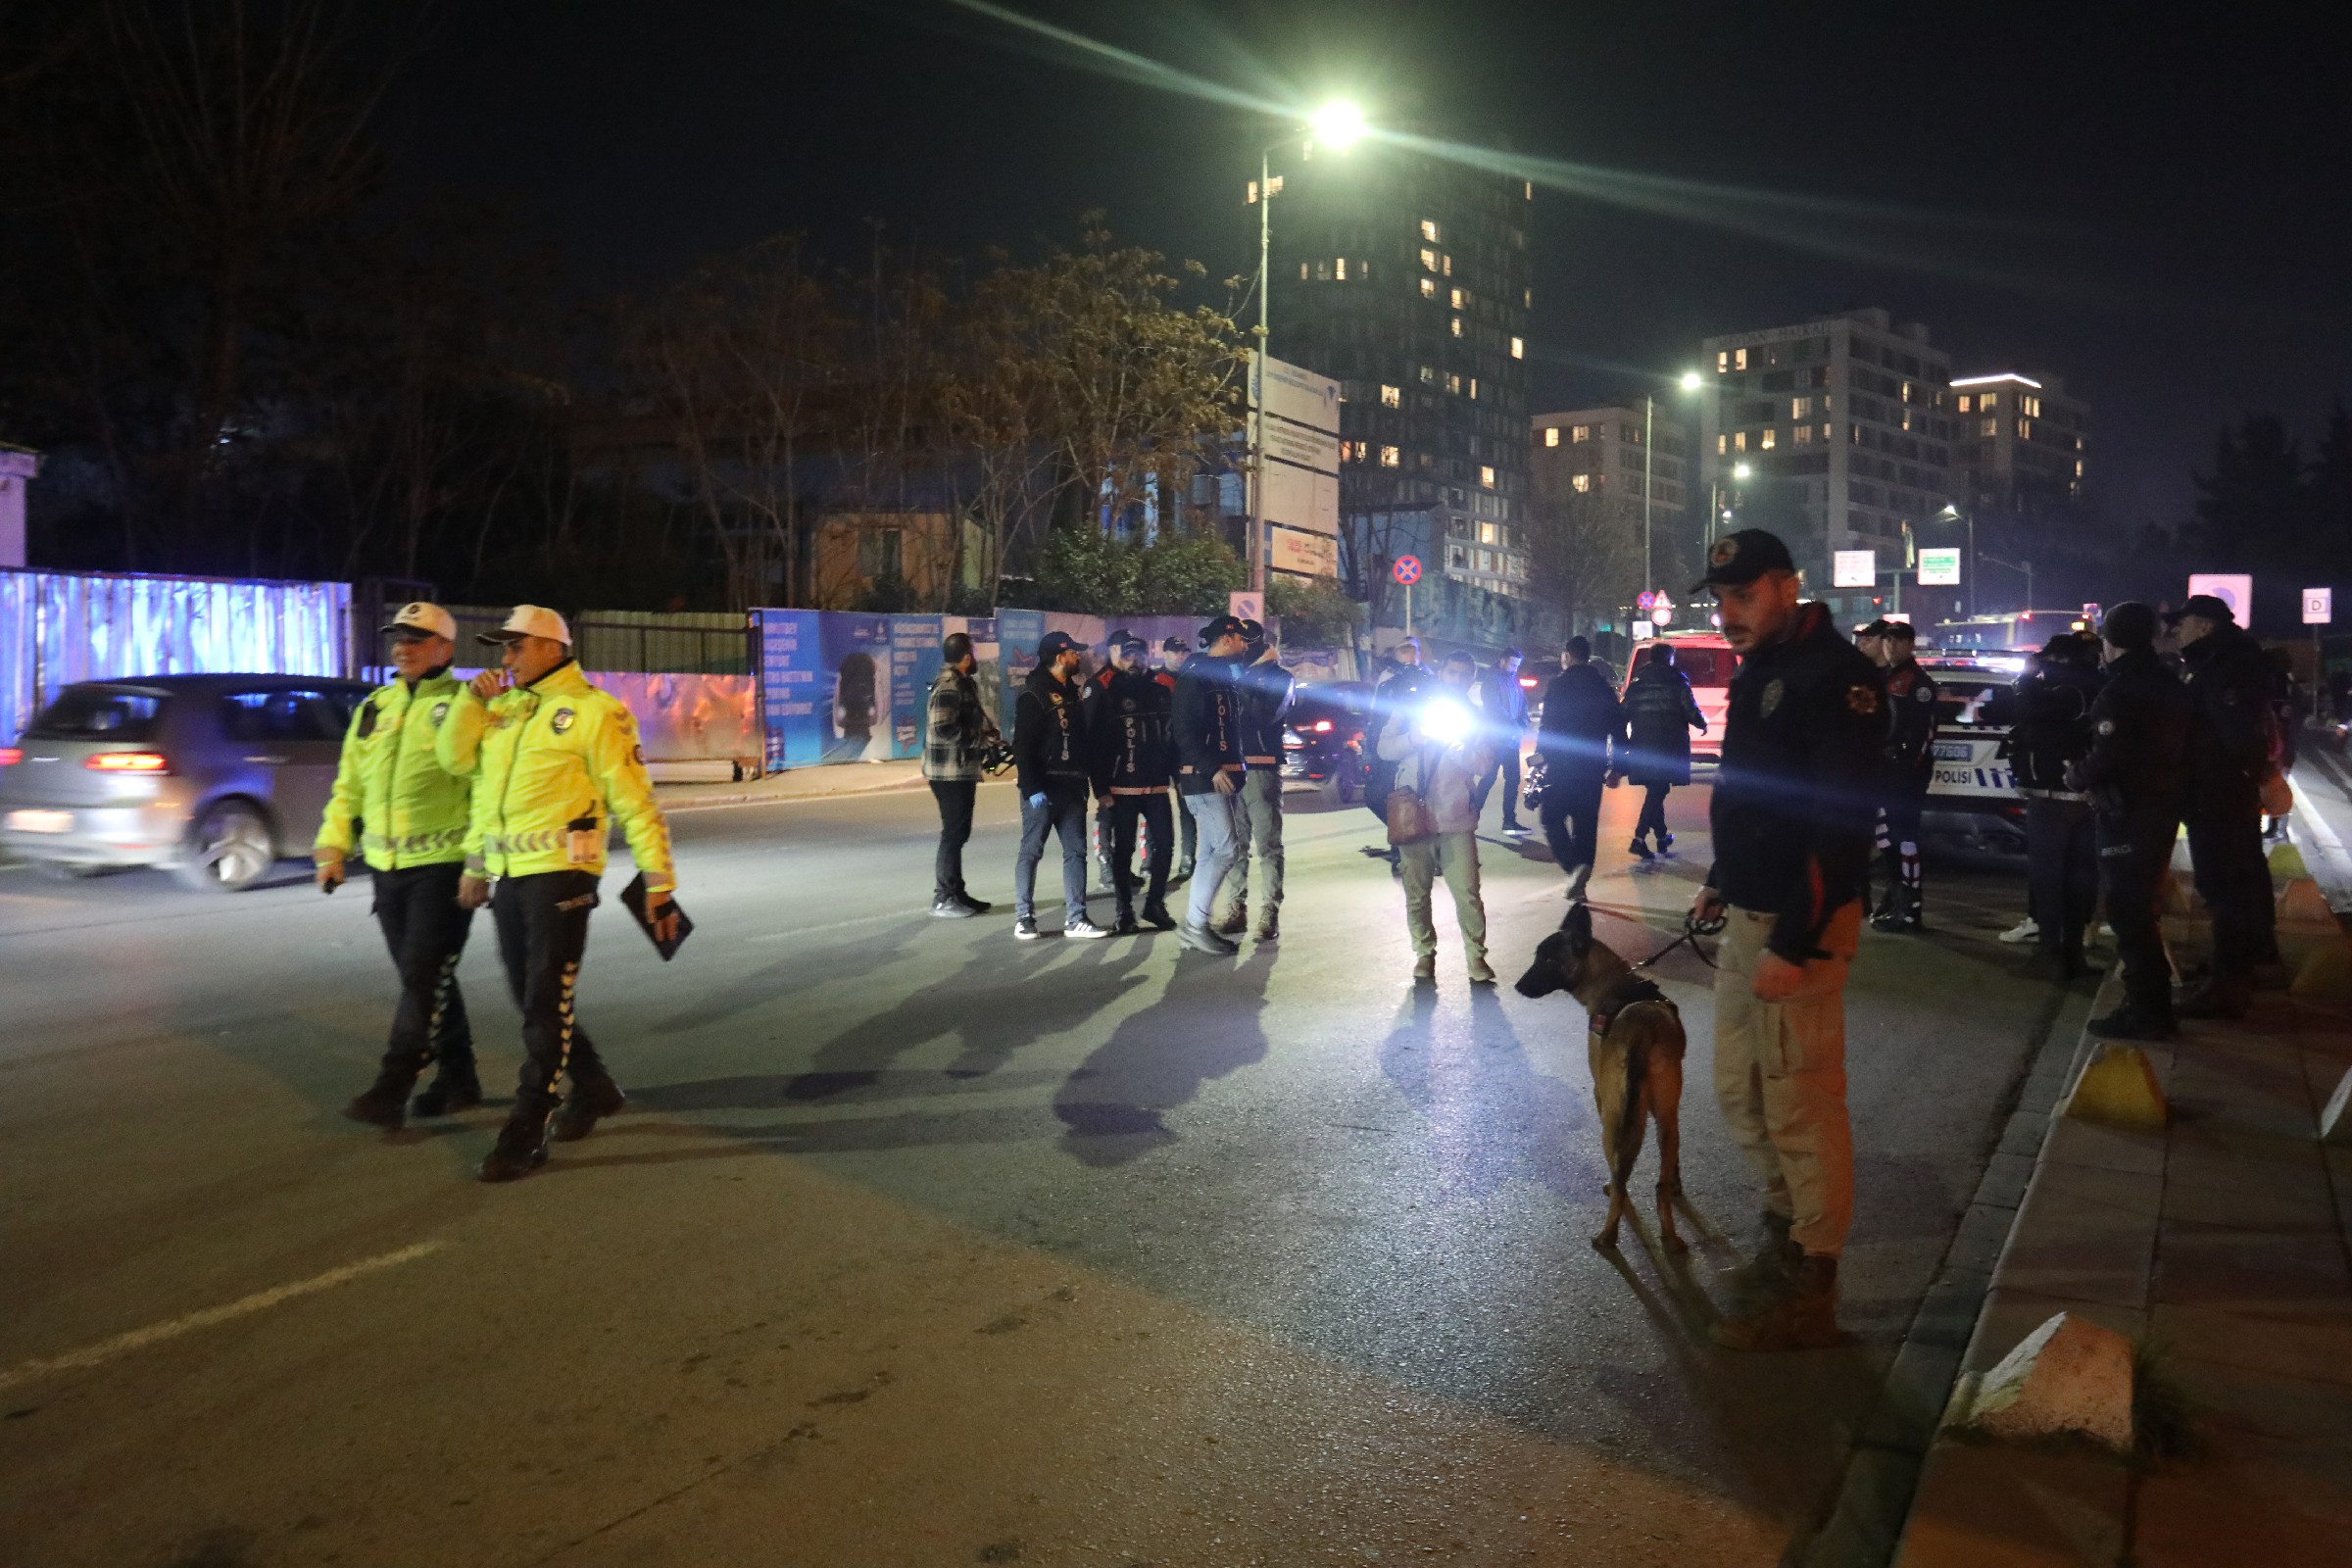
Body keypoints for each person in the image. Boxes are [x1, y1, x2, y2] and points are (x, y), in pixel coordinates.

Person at [1686, 530, 1883, 1351]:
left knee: (1800, 1101)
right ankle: (1780, 1236)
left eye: (1742, 596)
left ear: (1787, 586)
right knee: (1742, 1090)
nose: (1727, 614)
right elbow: (1755, 797)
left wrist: (1794, 943)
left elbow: (1837, 825)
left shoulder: (1838, 678)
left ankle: (1813, 1279)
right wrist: (1723, 880)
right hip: (1750, 914)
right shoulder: (1766, 666)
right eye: (1719, 600)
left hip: (1797, 927)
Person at [438, 606, 679, 1183]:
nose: (506, 657)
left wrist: (659, 881)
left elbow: (636, 802)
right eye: (504, 648)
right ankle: (594, 1088)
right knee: (529, 995)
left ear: (551, 647)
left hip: (564, 877)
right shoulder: (505, 714)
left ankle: (525, 1131)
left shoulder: (597, 714)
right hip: (511, 875)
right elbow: (462, 771)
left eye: (516, 646)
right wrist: (476, 864)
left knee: (546, 1003)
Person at [320, 602, 481, 1129]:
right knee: (429, 977)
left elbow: (485, 786)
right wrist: (333, 846)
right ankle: (459, 1076)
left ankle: (394, 1083)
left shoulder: (465, 704)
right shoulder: (375, 705)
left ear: (445, 649)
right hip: (387, 867)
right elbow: (351, 781)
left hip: (444, 866)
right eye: (398, 638)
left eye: (416, 638)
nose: (402, 647)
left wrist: (478, 862)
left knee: (422, 975)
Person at [2066, 603, 2192, 1039]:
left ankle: (2148, 1009)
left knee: (2128, 909)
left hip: (2128, 811)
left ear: (2110, 640)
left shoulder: (2121, 690)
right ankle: (2148, 1002)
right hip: (2160, 807)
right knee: (2141, 905)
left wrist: (2074, 773)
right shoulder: (2167, 681)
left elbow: (2110, 753)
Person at [2168, 594, 2278, 1015]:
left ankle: (2229, 987)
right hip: (2216, 792)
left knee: (2225, 888)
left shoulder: (2223, 668)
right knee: (2234, 883)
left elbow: (2237, 733)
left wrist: (2257, 777)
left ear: (2206, 627)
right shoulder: (2216, 662)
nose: (2177, 631)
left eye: (2184, 622)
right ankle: (2236, 967)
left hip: (2219, 795)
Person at [1377, 649, 1494, 984]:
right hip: (1413, 815)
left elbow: (1483, 765)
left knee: (1468, 893)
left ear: (1471, 679)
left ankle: (1476, 958)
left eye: (1465, 674)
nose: (1458, 679)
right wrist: (1417, 736)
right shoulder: (1411, 707)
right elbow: (1385, 749)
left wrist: (1455, 744)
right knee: (1416, 893)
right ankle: (1424, 955)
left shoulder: (1475, 717)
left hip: (1455, 817)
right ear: (1441, 672)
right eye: (1452, 672)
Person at [1999, 634, 2103, 977]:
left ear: (2060, 660)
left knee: (2050, 880)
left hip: (2056, 797)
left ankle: (2051, 955)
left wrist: (2026, 678)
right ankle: (2071, 956)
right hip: (2076, 797)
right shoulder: (2088, 687)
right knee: (2075, 881)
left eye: (2047, 660)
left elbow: (2028, 710)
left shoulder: (2070, 692)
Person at [1010, 630, 1110, 942]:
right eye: (1073, 653)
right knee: (1031, 851)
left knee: (1076, 852)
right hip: (1045, 787)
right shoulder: (1034, 695)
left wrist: (1092, 783)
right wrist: (1031, 787)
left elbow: (1084, 743)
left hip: (1072, 786)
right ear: (1059, 657)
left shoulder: (1072, 694)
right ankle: (1024, 917)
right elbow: (1022, 746)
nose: (1078, 657)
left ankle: (1076, 918)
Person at [1089, 632, 1180, 935]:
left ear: (1146, 658)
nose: (1133, 661)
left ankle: (1154, 904)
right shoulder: (1109, 692)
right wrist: (1100, 788)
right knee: (1123, 850)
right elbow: (1098, 745)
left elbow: (1173, 737)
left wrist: (1178, 776)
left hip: (1156, 787)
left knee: (1165, 846)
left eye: (1138, 656)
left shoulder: (1160, 691)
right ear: (1120, 658)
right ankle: (1124, 909)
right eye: (1128, 656)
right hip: (1122, 789)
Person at [1172, 615, 1251, 955]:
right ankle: (1195, 925)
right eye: (1242, 638)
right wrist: (1211, 767)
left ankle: (1195, 925)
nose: (1246, 645)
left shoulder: (1223, 677)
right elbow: (1183, 731)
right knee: (1227, 849)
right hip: (1204, 779)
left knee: (1210, 853)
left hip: (1224, 777)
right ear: (1227, 638)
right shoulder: (1195, 678)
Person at [1213, 619, 1293, 943]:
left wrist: (1242, 680)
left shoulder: (1280, 677)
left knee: (1268, 845)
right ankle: (1236, 908)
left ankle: (1269, 912)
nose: (1241, 648)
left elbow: (1263, 715)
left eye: (1246, 641)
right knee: (1234, 845)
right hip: (1230, 768)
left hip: (1261, 766)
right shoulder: (1229, 673)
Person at [1536, 636, 1626, 902]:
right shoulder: (1602, 687)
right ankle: (1581, 877)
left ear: (1568, 656)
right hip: (1591, 767)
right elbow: (1618, 729)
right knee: (1585, 824)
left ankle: (1574, 867)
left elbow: (1548, 726)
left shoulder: (1558, 686)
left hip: (1561, 765)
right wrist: (1618, 767)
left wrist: (1540, 760)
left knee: (1551, 818)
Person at [1865, 620, 1940, 932]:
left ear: (1911, 644)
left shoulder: (1918, 682)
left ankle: (1910, 909)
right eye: (1888, 641)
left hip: (1905, 773)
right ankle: (1895, 900)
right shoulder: (1886, 678)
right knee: (1887, 838)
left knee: (1905, 840)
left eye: (1898, 641)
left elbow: (1925, 732)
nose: (1891, 646)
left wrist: (1908, 765)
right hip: (1885, 770)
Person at [922, 631, 997, 918]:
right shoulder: (950, 685)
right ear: (966, 657)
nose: (975, 658)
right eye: (974, 653)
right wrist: (977, 738)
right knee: (953, 834)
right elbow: (942, 727)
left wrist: (988, 735)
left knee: (959, 833)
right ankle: (944, 897)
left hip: (960, 769)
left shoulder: (964, 684)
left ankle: (957, 892)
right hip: (948, 772)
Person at [1618, 643, 1707, 860]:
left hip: (1642, 745)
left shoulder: (1637, 683)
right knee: (1658, 790)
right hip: (1669, 744)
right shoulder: (1677, 680)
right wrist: (1701, 723)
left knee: (1655, 790)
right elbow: (1689, 709)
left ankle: (1661, 837)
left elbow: (1623, 713)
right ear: (1669, 658)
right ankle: (1639, 838)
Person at [1363, 636, 1436, 869]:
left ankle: (1416, 850)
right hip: (1392, 744)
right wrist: (1372, 748)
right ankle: (1401, 840)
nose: (1409, 659)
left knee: (1420, 799)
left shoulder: (1430, 680)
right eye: (1404, 654)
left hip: (1420, 747)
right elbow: (1378, 716)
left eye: (1413, 654)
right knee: (1379, 797)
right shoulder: (1388, 681)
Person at [1468, 647, 1533, 835]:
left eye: (1517, 665)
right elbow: (1494, 709)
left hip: (1512, 742)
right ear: (1503, 661)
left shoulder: (1514, 682)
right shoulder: (1491, 681)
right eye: (1512, 664)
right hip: (1495, 740)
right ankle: (1471, 819)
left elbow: (1523, 707)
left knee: (1512, 781)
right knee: (1487, 779)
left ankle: (1509, 821)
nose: (1514, 668)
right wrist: (1514, 728)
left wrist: (1520, 727)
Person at [1160, 635, 1199, 883]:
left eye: (1184, 651)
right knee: (1157, 809)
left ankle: (1188, 857)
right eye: (1175, 651)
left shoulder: (1191, 680)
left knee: (1188, 807)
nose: (1180, 655)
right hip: (1160, 753)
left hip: (1183, 752)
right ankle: (1152, 859)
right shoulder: (1156, 680)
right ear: (1165, 653)